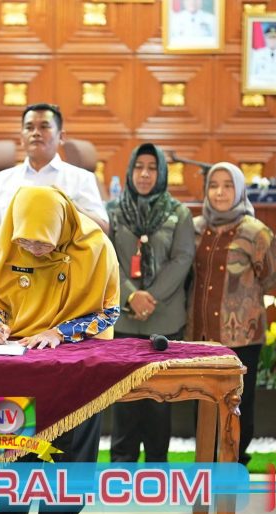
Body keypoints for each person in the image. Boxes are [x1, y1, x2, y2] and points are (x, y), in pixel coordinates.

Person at [0, 185, 120, 514]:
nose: (32, 250)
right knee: (7, 459)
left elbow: (109, 311)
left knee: (68, 466)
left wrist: (60, 332)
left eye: (41, 242)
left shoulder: (96, 246)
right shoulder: (5, 240)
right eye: (25, 242)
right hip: (17, 361)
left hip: (77, 366)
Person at [0, 103, 108, 324]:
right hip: (13, 288)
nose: (36, 132)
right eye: (29, 127)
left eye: (44, 126)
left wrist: (67, 204)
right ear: (21, 137)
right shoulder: (2, 180)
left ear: (61, 136)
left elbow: (102, 230)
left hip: (65, 288)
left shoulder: (81, 178)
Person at [107, 143, 195, 464]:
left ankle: (157, 465)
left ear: (162, 173)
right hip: (124, 318)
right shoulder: (113, 212)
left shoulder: (179, 213)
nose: (144, 174)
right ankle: (121, 466)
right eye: (139, 167)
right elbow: (107, 258)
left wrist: (151, 297)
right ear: (130, 171)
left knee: (160, 399)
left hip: (164, 318)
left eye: (152, 168)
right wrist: (131, 295)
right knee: (125, 398)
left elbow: (183, 258)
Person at [187, 162, 276, 465]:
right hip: (200, 334)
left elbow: (270, 277)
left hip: (241, 335)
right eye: (214, 185)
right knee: (201, 400)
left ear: (239, 190)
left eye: (228, 186)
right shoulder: (195, 228)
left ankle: (236, 462)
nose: (220, 192)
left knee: (239, 402)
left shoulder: (256, 232)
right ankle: (205, 462)